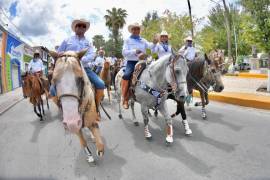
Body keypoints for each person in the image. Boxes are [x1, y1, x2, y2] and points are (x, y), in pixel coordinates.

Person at [51, 18, 105, 108]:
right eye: (79, 25)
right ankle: (60, 105)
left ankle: (96, 106)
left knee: (101, 84)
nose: (81, 27)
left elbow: (92, 55)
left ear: (85, 29)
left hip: (85, 68)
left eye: (83, 26)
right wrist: (61, 57)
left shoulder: (88, 42)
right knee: (52, 89)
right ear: (75, 28)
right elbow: (58, 53)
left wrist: (80, 59)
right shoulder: (67, 40)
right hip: (67, 69)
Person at [121, 22, 157, 109]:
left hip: (143, 61)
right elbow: (124, 52)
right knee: (126, 75)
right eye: (134, 29)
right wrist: (134, 51)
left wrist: (154, 42)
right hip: (131, 62)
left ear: (139, 30)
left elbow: (150, 46)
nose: (136, 30)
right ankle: (125, 98)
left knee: (153, 73)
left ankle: (154, 96)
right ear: (131, 30)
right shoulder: (127, 40)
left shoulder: (143, 40)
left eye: (137, 29)